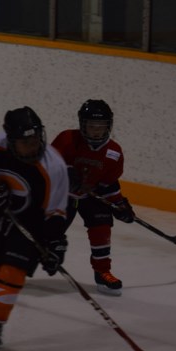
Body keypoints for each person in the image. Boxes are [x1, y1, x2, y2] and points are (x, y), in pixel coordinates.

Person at [0, 106, 70, 351]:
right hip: (2, 218)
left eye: (35, 141)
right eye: (25, 143)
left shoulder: (54, 166)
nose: (33, 147)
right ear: (10, 141)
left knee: (12, 273)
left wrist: (55, 243)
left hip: (32, 226)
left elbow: (56, 211)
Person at [51, 99, 134, 296]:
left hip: (91, 196)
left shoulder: (114, 153)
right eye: (91, 126)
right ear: (82, 124)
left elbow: (109, 185)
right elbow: (46, 164)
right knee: (47, 232)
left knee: (102, 228)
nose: (96, 131)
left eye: (101, 126)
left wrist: (120, 204)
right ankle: (18, 265)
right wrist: (65, 172)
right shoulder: (66, 139)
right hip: (62, 195)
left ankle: (102, 272)